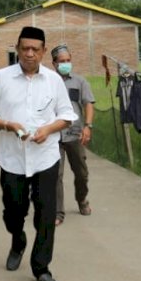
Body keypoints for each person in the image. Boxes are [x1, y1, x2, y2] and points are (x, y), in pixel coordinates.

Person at [0, 26, 77, 281]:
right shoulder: (2, 78)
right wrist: (9, 124)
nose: (30, 54)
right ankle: (17, 239)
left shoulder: (54, 81)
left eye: (35, 49)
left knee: (46, 215)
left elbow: (67, 115)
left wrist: (48, 129)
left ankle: (41, 268)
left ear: (44, 51)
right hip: (12, 159)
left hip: (45, 157)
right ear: (18, 49)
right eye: (25, 48)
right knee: (14, 211)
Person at [50, 44, 95, 226]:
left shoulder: (80, 81)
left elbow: (88, 104)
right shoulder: (48, 82)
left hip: (75, 134)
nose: (66, 64)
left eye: (68, 61)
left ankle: (82, 199)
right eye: (62, 61)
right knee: (56, 175)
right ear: (54, 63)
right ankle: (58, 212)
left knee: (81, 173)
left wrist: (88, 126)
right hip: (53, 135)